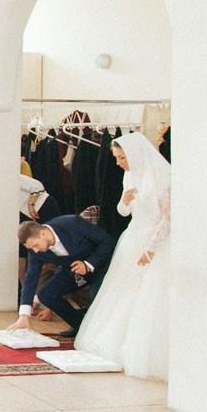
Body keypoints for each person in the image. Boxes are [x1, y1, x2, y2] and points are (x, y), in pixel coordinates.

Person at [75, 132, 172, 379]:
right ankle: (117, 341)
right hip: (132, 238)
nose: (118, 163)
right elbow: (123, 212)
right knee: (124, 291)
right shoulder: (129, 175)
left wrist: (151, 249)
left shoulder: (164, 177)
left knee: (148, 294)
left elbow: (167, 219)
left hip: (154, 242)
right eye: (117, 158)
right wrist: (124, 200)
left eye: (121, 158)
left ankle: (143, 349)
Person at [11, 215, 116, 338]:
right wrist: (24, 315)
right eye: (31, 248)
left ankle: (104, 332)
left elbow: (107, 241)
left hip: (101, 266)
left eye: (35, 245)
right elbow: (31, 276)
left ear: (43, 233)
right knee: (46, 295)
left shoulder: (72, 223)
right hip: (73, 272)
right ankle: (81, 326)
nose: (35, 251)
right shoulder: (35, 250)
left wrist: (88, 264)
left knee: (95, 295)